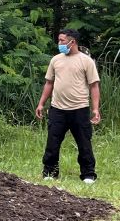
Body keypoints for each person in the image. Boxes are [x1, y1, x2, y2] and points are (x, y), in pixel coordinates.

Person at [34, 28, 101, 184]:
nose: (59, 43)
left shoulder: (86, 61)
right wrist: (41, 103)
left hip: (79, 108)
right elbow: (49, 83)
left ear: (73, 42)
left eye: (62, 40)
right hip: (57, 109)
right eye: (59, 40)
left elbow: (94, 86)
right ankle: (50, 172)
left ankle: (88, 174)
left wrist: (95, 109)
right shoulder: (56, 60)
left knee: (84, 143)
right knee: (52, 142)